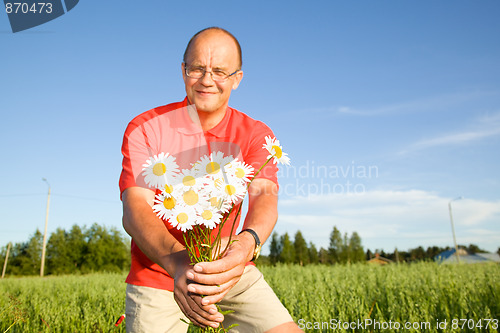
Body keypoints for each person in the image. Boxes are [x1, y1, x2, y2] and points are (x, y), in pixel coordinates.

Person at [119, 27, 302, 333]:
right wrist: (178, 264)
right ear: (183, 70)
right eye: (197, 69)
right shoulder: (145, 128)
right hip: (160, 272)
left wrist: (246, 246)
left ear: (236, 78)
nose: (207, 80)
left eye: (219, 71)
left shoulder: (257, 135)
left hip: (231, 269)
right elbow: (135, 208)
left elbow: (265, 198)